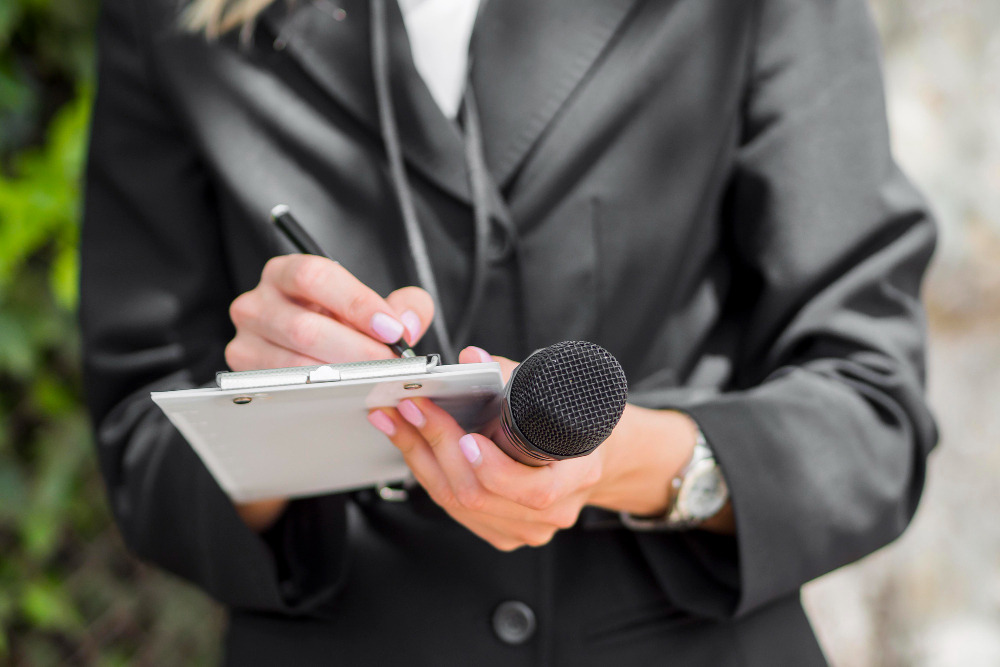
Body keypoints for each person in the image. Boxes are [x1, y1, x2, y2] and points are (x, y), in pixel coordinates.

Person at [79, 0, 938, 664]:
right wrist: (267, 413)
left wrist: (622, 462)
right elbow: (142, 455)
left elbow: (870, 420)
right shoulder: (171, 19)